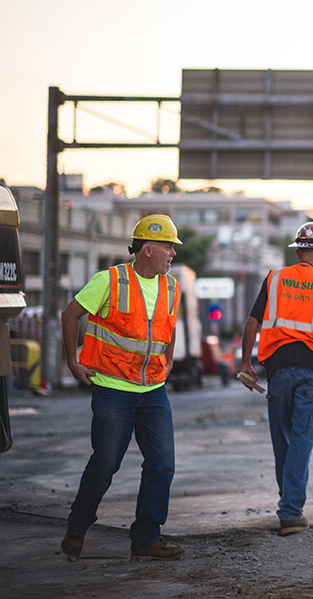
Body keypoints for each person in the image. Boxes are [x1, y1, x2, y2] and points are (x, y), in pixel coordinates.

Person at [59, 214, 186, 561]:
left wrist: (169, 360)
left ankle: (147, 539)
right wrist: (74, 361)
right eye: (168, 247)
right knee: (105, 464)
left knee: (162, 466)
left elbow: (169, 326)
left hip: (153, 391)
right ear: (147, 249)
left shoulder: (172, 286)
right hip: (113, 389)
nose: (172, 254)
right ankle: (78, 526)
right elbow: (70, 315)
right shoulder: (110, 280)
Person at [239, 221, 313, 536]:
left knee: (284, 441)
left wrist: (246, 363)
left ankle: (288, 503)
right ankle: (290, 510)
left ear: (298, 249)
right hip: (312, 371)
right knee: (301, 440)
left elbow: (252, 323)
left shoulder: (275, 278)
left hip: (277, 370)